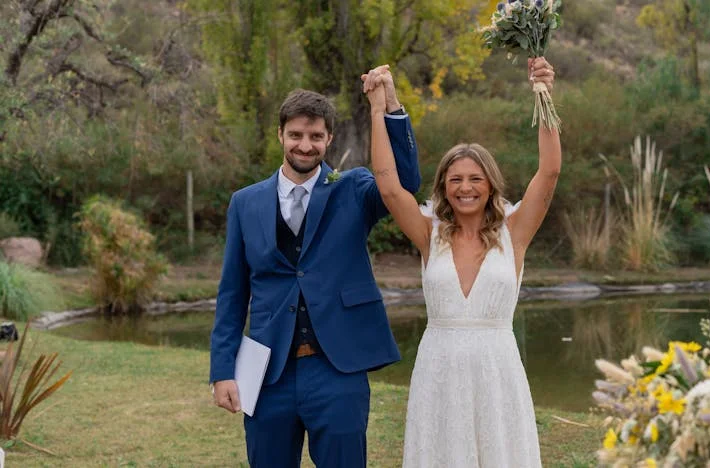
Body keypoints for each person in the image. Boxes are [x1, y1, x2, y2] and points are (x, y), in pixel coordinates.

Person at [209, 66, 421, 468]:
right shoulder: (245, 202)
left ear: (329, 138)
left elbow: (405, 183)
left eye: (316, 136)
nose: (305, 145)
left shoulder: (355, 189)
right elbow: (232, 294)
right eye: (296, 135)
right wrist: (222, 371)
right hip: (267, 373)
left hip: (337, 369)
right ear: (281, 135)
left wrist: (391, 106)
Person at [365, 57, 560, 467]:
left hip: (498, 370)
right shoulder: (428, 234)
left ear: (490, 184)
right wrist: (377, 110)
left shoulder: (515, 231)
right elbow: (387, 184)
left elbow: (550, 171)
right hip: (439, 371)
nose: (465, 188)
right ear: (444, 188)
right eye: (455, 180)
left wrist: (543, 94)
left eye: (475, 179)